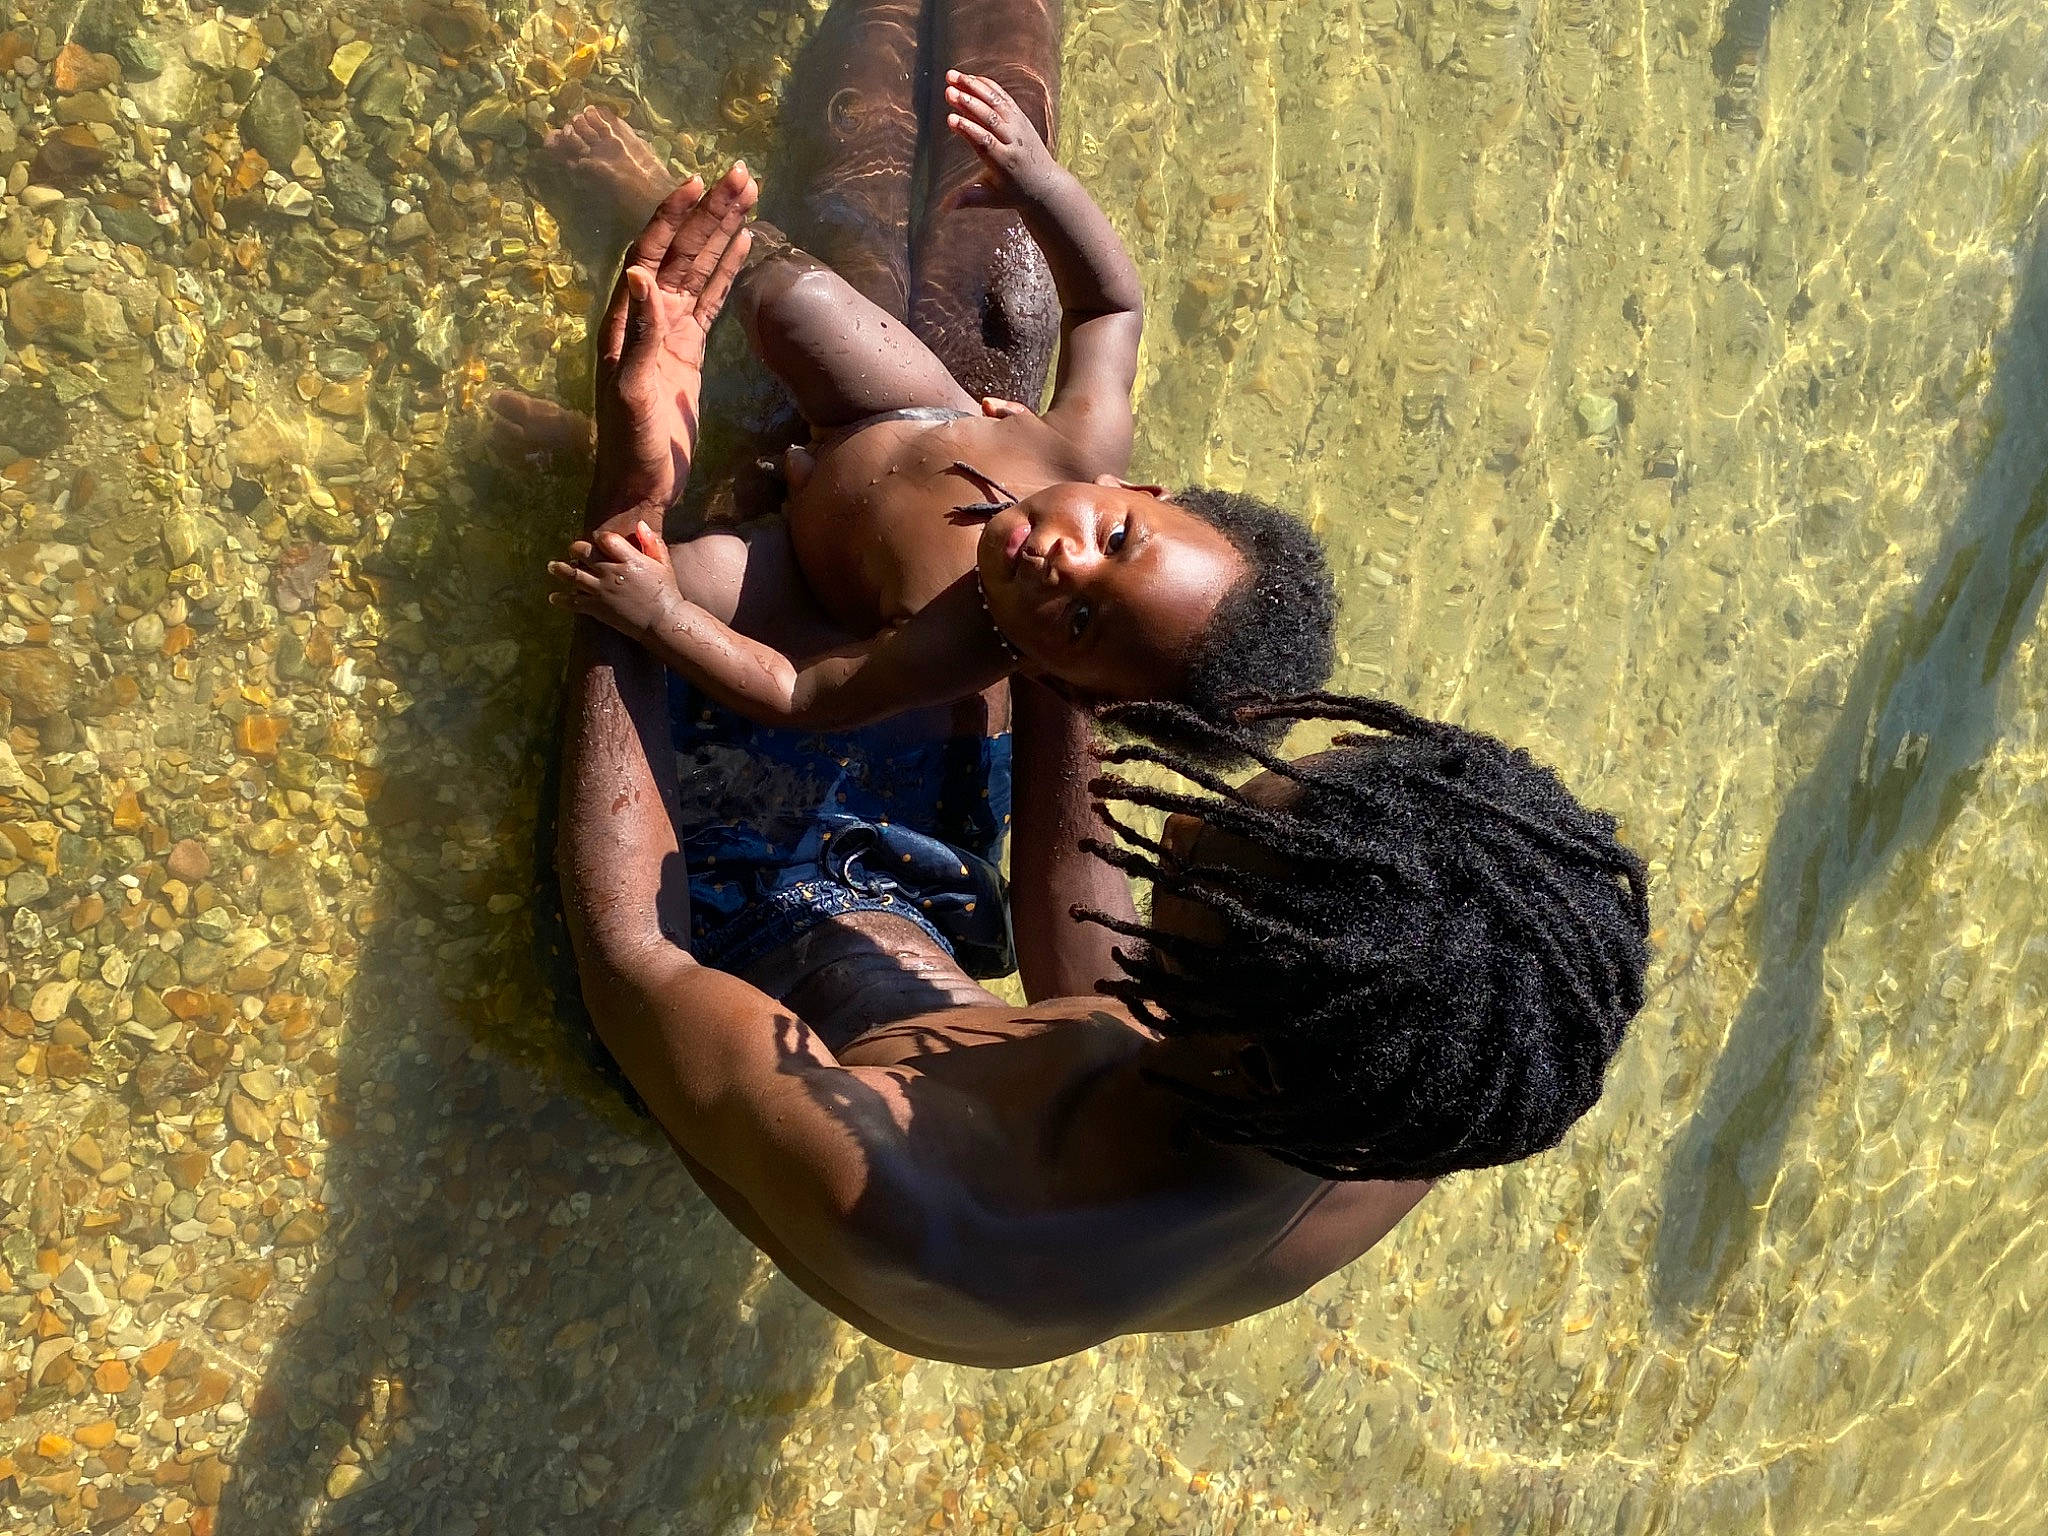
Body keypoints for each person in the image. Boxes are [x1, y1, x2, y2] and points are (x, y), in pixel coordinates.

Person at [557, 170, 1653, 1367]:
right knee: (982, 379)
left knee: (804, 472)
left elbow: (632, 958)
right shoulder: (1394, 1081)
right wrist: (1055, 656)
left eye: (1193, 873)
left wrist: (627, 515)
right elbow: (1102, 988)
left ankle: (633, 371)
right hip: (914, 919)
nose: (1170, 832)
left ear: (1222, 1022)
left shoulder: (916, 1205)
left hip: (708, 962)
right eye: (1224, 812)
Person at [544, 72, 1334, 746]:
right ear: (1137, 490)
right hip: (893, 416)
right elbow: (1109, 310)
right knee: (799, 296)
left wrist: (660, 616)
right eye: (1118, 538)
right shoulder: (1082, 449)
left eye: (1080, 622)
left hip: (809, 568)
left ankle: (594, 452)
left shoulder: (949, 649)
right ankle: (659, 204)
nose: (1070, 565)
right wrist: (1043, 186)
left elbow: (798, 694)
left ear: (1060, 683)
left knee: (657, 571)